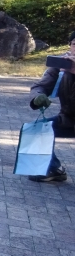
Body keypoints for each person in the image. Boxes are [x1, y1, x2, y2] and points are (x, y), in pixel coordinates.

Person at [28, 32, 75, 182]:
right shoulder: (61, 63)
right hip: (68, 118)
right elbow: (40, 86)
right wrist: (38, 97)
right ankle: (53, 169)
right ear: (70, 46)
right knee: (39, 128)